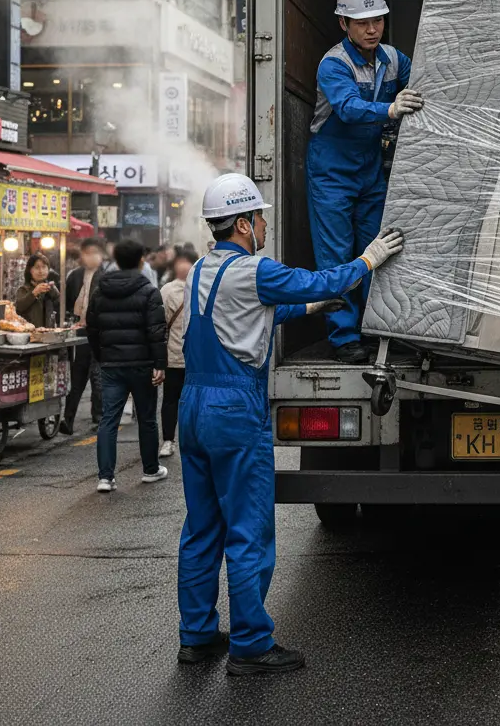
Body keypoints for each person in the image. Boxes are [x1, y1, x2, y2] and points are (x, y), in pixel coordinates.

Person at [177, 173, 404, 674]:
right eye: (259, 218)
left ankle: (195, 636)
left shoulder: (203, 270)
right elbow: (317, 278)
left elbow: (248, 317)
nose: (264, 226)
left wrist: (311, 307)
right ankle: (252, 646)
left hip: (194, 408)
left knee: (201, 529)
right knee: (248, 530)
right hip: (233, 412)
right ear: (241, 223)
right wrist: (369, 259)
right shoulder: (254, 269)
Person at [305, 0, 423, 364]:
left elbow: (422, 84)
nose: (372, 29)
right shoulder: (333, 64)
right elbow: (348, 109)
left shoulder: (392, 58)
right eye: (362, 22)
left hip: (370, 170)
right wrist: (389, 110)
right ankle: (344, 337)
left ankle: (379, 329)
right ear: (344, 24)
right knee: (337, 257)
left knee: (379, 251)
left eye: (378, 20)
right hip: (332, 175)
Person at [86, 239, 168, 494]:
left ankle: (105, 477)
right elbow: (157, 332)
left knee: (108, 420)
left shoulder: (100, 290)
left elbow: (92, 329)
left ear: (116, 260)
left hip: (111, 364)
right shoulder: (149, 291)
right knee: (147, 419)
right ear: (141, 260)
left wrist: (103, 356)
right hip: (142, 365)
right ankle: (150, 470)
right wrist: (160, 364)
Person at [59, 238, 107, 434]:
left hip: (99, 334)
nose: (90, 257)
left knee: (97, 377)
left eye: (94, 252)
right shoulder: (75, 276)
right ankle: (68, 419)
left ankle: (99, 416)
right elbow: (67, 301)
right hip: (78, 331)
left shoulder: (106, 277)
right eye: (87, 253)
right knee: (77, 377)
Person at [158, 246, 198, 457]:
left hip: (196, 358)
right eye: (179, 262)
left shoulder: (202, 287)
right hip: (173, 356)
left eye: (187, 261)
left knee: (194, 401)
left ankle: (192, 439)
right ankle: (168, 440)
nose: (183, 265)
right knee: (170, 399)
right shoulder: (167, 290)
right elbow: (160, 324)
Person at [15, 253, 60, 328]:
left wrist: (55, 292)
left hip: (49, 333)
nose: (41, 271)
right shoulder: (24, 289)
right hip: (30, 333)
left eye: (44, 267)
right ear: (30, 270)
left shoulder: (51, 288)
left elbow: (61, 309)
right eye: (37, 267)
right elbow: (18, 308)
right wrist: (34, 293)